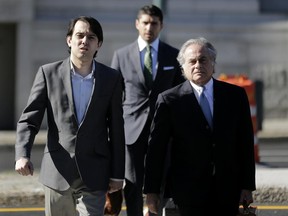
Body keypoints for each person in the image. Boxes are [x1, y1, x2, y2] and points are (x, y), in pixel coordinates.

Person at [14, 16, 125, 216]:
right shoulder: (48, 73)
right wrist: (22, 154)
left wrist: (117, 174)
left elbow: (117, 129)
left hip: (95, 173)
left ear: (98, 44)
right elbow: (30, 118)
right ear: (69, 40)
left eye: (91, 37)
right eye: (79, 35)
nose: (84, 41)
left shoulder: (112, 78)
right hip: (57, 172)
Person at [143, 37, 256, 216]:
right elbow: (157, 149)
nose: (198, 65)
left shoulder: (235, 96)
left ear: (213, 64)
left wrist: (247, 186)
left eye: (203, 60)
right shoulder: (169, 100)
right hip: (186, 192)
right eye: (192, 61)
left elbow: (245, 144)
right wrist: (151, 192)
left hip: (227, 188)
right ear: (183, 68)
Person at [111, 4, 185, 216]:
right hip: (131, 129)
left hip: (163, 128)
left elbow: (181, 92)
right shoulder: (121, 55)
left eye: (154, 23)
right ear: (137, 24)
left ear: (161, 25)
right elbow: (115, 97)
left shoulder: (174, 55)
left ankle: (155, 212)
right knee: (132, 183)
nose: (149, 27)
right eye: (145, 22)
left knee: (161, 179)